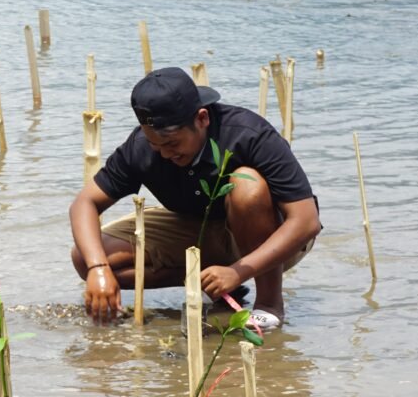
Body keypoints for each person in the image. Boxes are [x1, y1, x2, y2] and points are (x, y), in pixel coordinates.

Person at [69, 67, 321, 329]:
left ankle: (269, 304)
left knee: (248, 186)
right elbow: (84, 204)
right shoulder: (140, 147)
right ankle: (215, 284)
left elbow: (306, 221)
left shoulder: (249, 133)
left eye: (172, 143)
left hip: (272, 238)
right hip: (199, 230)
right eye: (155, 145)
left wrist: (238, 271)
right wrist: (98, 268)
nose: (165, 154)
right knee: (85, 256)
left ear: (202, 119)